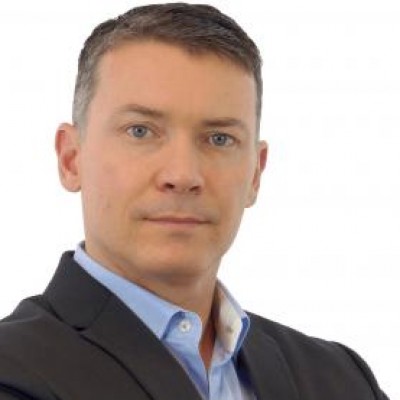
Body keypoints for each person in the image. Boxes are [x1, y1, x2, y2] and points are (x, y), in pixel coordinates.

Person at [0, 3, 389, 400]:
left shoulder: (343, 379)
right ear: (71, 159)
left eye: (219, 138)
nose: (183, 174)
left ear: (255, 173)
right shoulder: (12, 375)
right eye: (140, 131)